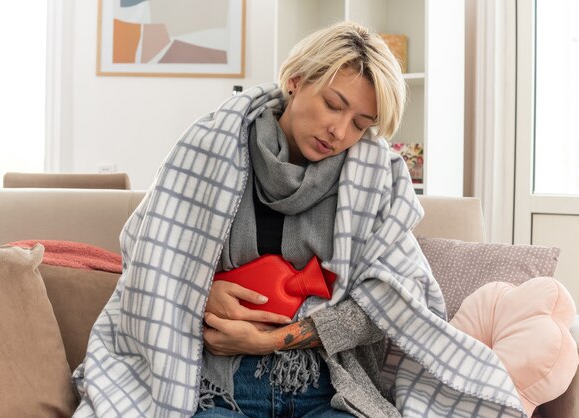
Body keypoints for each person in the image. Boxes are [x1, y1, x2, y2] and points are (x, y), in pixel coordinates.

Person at [72, 22, 526, 418]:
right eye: (334, 104)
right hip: (218, 389)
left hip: (326, 391)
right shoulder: (210, 148)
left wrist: (276, 340)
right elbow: (153, 267)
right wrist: (200, 291)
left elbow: (386, 306)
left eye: (360, 124)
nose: (340, 131)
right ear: (295, 80)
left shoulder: (370, 178)